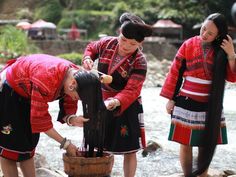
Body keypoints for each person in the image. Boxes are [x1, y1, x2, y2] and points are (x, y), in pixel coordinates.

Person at [0, 54, 102, 177]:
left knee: (28, 147)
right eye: (78, 98)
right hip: (10, 89)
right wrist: (66, 144)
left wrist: (72, 119)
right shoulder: (46, 80)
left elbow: (67, 106)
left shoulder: (76, 77)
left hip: (28, 92)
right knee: (9, 150)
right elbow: (41, 121)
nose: (77, 100)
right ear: (73, 84)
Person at [160, 13, 236, 177]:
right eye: (203, 29)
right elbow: (175, 72)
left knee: (205, 142)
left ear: (219, 36)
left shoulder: (222, 51)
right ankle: (188, 175)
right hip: (185, 101)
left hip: (210, 104)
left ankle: (202, 173)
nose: (204, 34)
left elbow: (232, 77)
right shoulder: (188, 44)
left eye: (210, 33)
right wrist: (171, 99)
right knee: (185, 143)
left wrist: (231, 54)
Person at [82, 12, 153, 177]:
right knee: (104, 147)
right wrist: (87, 58)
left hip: (127, 105)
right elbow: (92, 47)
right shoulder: (107, 43)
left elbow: (133, 90)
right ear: (118, 34)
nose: (126, 45)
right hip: (102, 99)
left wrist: (116, 100)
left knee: (130, 150)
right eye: (123, 39)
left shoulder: (139, 61)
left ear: (140, 44)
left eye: (132, 43)